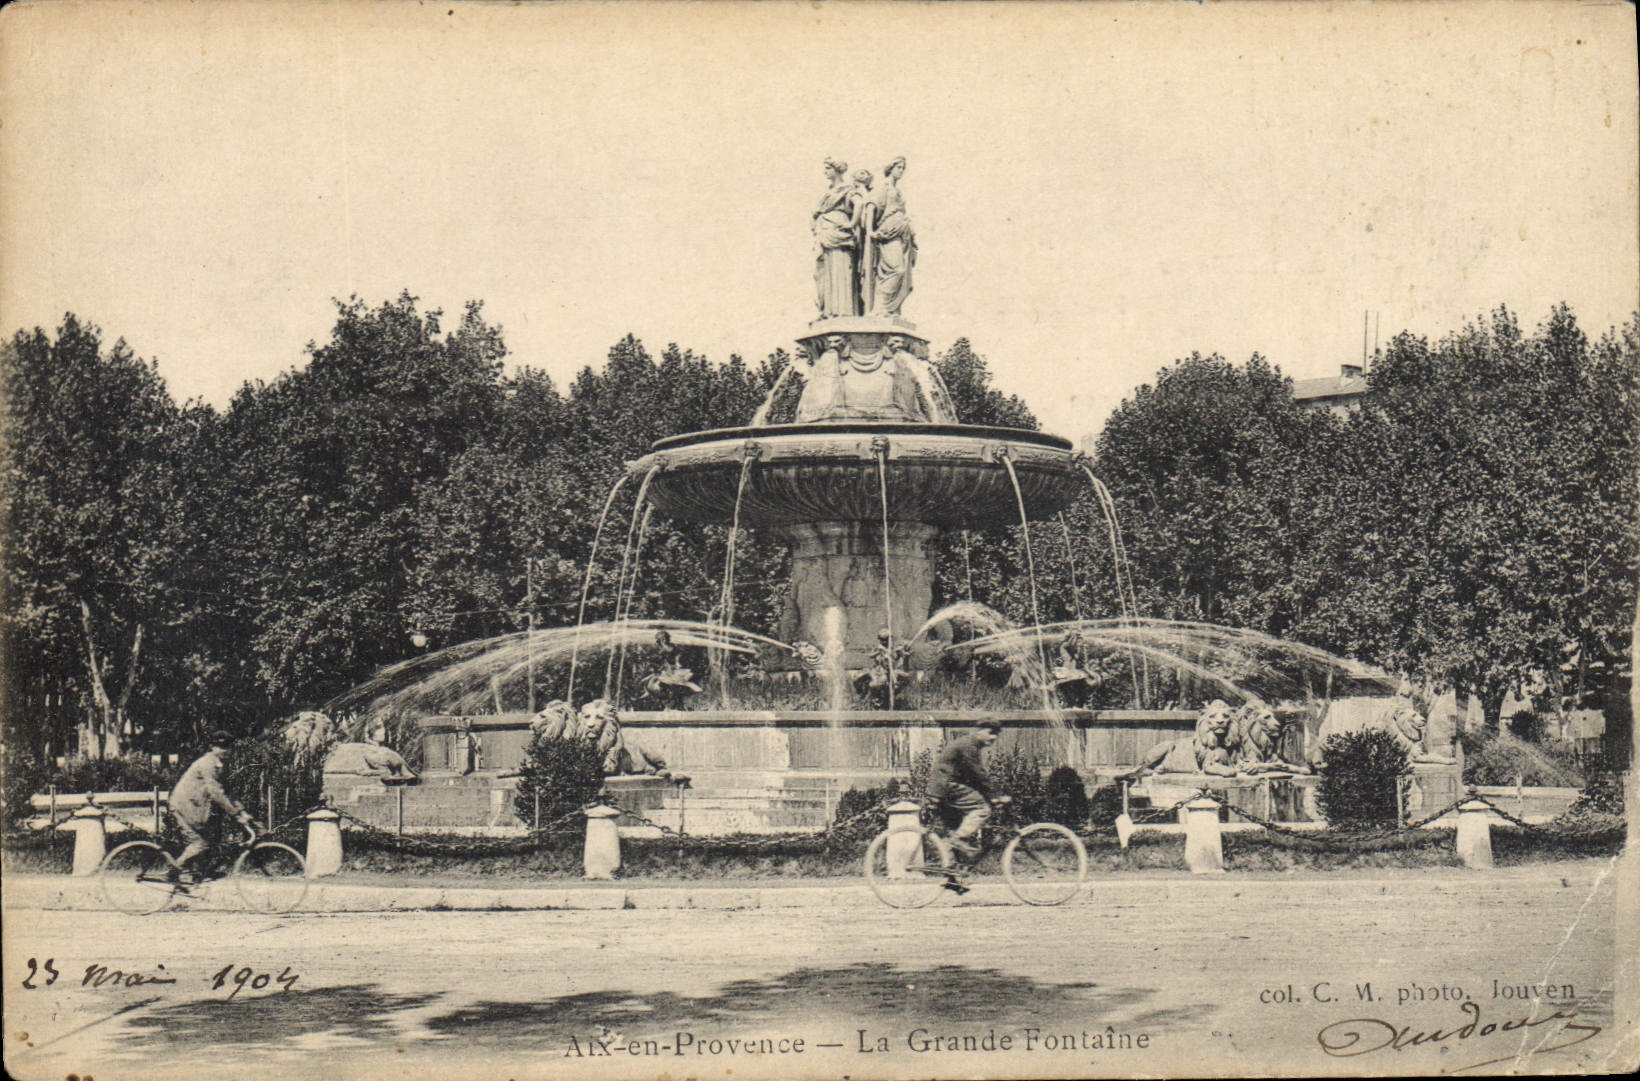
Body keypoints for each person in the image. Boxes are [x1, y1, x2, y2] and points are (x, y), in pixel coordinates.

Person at [168, 732, 252, 882]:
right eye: (220, 747)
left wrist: (242, 811)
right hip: (185, 806)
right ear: (212, 747)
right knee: (199, 843)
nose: (224, 750)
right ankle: (174, 870)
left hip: (196, 807)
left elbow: (228, 791)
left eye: (227, 747)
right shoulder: (208, 764)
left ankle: (197, 874)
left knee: (213, 840)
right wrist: (236, 815)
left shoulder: (221, 764)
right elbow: (216, 793)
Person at [926, 719, 1002, 860]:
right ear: (979, 731)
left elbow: (972, 777)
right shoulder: (968, 746)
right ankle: (959, 840)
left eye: (996, 734)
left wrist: (990, 793)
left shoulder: (969, 744)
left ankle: (952, 875)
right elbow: (978, 774)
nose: (994, 737)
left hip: (942, 787)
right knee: (982, 809)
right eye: (991, 732)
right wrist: (994, 796)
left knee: (953, 829)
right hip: (947, 785)